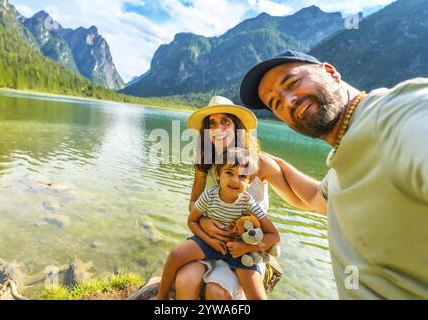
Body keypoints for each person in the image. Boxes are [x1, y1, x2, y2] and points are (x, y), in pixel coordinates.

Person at [239, 50, 428, 299]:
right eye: (275, 104)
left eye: (292, 82)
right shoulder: (343, 164)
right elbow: (315, 198)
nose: (288, 101)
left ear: (330, 72)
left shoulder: (399, 113)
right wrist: (275, 165)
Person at [175, 96, 299, 300]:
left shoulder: (260, 163)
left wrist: (281, 164)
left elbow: (297, 199)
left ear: (238, 127)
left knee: (218, 292)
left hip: (247, 247)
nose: (218, 129)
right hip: (211, 240)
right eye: (212, 123)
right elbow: (193, 203)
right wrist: (203, 221)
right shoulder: (205, 162)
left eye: (225, 121)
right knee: (184, 279)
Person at [156, 149, 280, 300]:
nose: (235, 180)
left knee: (257, 296)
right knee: (176, 254)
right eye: (229, 173)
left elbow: (274, 236)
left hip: (239, 250)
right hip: (209, 241)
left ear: (250, 181)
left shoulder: (249, 203)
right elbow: (192, 220)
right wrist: (211, 241)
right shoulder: (209, 195)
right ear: (218, 174)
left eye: (242, 176)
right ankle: (161, 296)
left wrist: (246, 247)